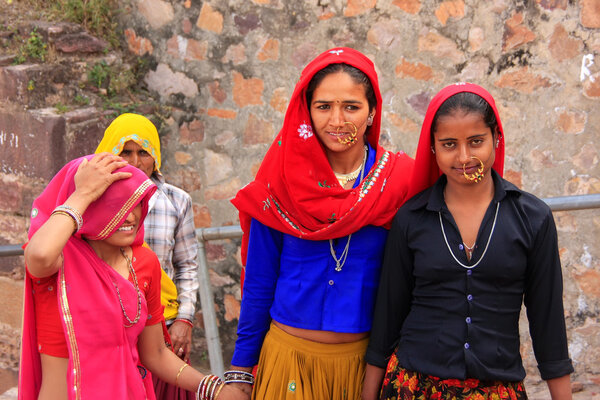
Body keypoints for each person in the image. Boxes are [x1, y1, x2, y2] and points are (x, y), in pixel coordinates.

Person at [362, 83, 574, 400]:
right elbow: (389, 315)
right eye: (449, 144)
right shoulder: (412, 218)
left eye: (476, 141)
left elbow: (548, 323)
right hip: (414, 387)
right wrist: (368, 394)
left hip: (497, 389)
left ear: (496, 139)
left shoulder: (533, 218)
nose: (464, 157)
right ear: (432, 148)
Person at [227, 47, 415, 399]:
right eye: (324, 106)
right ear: (307, 112)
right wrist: (239, 372)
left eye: (352, 106)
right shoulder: (281, 180)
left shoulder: (399, 181)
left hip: (364, 370)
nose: (337, 120)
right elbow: (259, 280)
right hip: (287, 362)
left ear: (372, 112)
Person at [18, 153, 244, 400]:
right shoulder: (57, 262)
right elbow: (38, 256)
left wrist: (214, 389)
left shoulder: (144, 262)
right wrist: (82, 193)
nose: (131, 216)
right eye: (114, 204)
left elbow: (155, 353)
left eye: (134, 202)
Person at [95, 113, 199, 364]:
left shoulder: (176, 201)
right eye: (125, 152)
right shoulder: (93, 199)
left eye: (143, 152)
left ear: (155, 156)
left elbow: (186, 266)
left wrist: (184, 320)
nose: (135, 161)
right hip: (109, 323)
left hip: (164, 323)